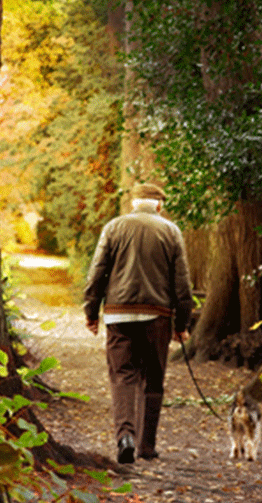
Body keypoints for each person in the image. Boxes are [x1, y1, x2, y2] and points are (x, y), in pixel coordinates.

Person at [83, 183, 193, 464]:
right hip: (158, 315)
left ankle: (125, 436)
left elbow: (97, 272)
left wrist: (91, 312)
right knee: (153, 380)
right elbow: (182, 284)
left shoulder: (114, 227)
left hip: (119, 315)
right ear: (159, 205)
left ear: (133, 204)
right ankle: (146, 446)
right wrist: (182, 323)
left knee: (122, 376)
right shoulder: (171, 231)